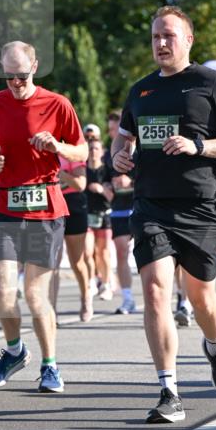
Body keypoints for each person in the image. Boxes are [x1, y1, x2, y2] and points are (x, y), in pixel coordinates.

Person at [110, 5, 216, 424]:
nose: (161, 43)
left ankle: (215, 344)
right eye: (155, 37)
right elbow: (122, 140)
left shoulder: (210, 83)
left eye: (169, 35)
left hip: (201, 206)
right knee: (155, 291)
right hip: (151, 205)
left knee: (202, 297)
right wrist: (119, 158)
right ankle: (169, 390)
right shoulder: (141, 90)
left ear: (188, 39)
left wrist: (198, 147)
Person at [0, 41, 87, 392]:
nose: (15, 83)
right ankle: (14, 352)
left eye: (22, 76)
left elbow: (82, 150)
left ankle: (50, 366)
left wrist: (59, 147)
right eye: (9, 76)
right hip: (6, 206)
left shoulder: (58, 104)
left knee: (35, 295)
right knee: (2, 289)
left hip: (45, 209)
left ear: (35, 67)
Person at [52, 152, 91, 322]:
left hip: (74, 205)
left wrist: (58, 172)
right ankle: (50, 311)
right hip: (51, 206)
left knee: (77, 261)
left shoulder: (72, 152)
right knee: (52, 263)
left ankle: (85, 297)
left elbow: (80, 184)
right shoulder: (41, 151)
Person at [105, 111, 136, 315]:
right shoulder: (107, 155)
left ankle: (179, 298)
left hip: (140, 206)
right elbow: (104, 178)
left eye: (116, 129)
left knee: (152, 258)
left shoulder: (140, 149)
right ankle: (128, 298)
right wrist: (107, 186)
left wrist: (131, 182)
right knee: (121, 252)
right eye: (110, 130)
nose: (112, 133)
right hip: (118, 208)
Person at [83, 124, 115, 301]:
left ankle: (106, 283)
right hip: (86, 214)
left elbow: (112, 196)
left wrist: (101, 189)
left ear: (102, 151)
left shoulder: (107, 171)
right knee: (87, 251)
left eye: (96, 148)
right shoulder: (83, 170)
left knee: (103, 252)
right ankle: (92, 280)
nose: (93, 152)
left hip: (104, 214)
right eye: (90, 149)